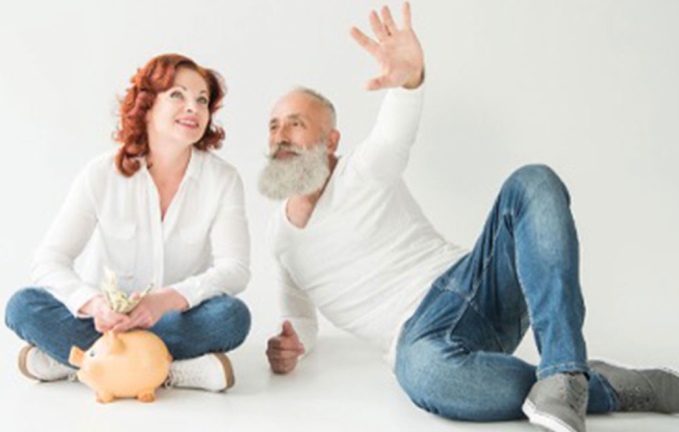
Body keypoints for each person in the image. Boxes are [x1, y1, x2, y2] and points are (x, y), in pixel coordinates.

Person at [259, 3, 678, 431]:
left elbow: (392, 135)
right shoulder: (280, 239)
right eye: (273, 127)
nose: (280, 136)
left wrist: (409, 82)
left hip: (473, 283)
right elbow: (302, 321)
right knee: (425, 376)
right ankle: (589, 384)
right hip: (420, 341)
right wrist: (290, 345)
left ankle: (564, 367)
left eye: (296, 124)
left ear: (331, 141)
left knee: (534, 182)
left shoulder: (361, 171)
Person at [5, 53, 251, 392]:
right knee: (23, 306)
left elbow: (234, 269)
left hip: (172, 320)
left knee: (231, 317)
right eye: (177, 95)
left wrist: (164, 301)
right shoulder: (101, 174)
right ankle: (168, 370)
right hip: (103, 325)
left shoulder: (223, 179)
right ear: (147, 106)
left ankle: (81, 363)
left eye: (202, 100)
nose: (193, 108)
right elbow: (49, 260)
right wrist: (95, 304)